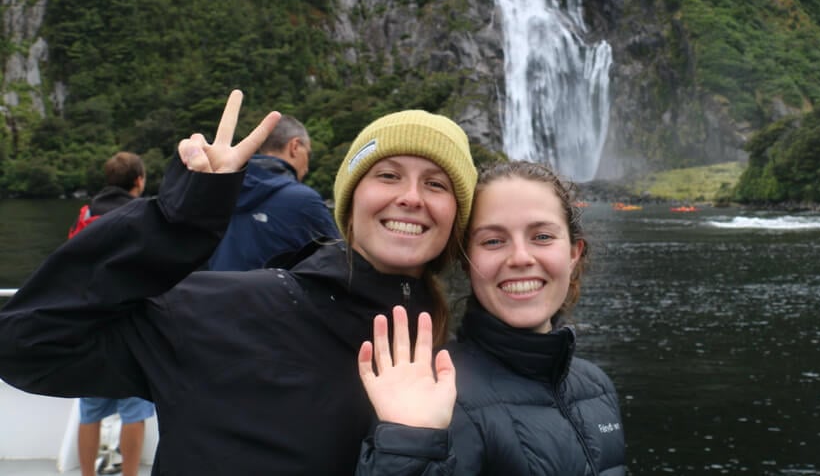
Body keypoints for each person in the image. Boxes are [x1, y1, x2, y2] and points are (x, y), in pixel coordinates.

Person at [0, 90, 477, 475]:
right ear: (350, 203)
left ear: (459, 218)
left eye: (436, 184)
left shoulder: (463, 353)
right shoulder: (225, 311)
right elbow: (26, 345)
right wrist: (176, 221)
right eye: (388, 175)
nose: (411, 198)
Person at [356, 160, 627, 475]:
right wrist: (409, 444)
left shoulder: (597, 386)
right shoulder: (434, 396)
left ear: (573, 253)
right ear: (466, 262)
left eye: (542, 237)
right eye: (493, 241)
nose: (521, 258)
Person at [72, 151, 155, 476]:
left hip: (89, 322)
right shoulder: (142, 213)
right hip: (131, 322)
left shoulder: (87, 212)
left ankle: (88, 474)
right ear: (138, 180)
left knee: (90, 409)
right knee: (134, 408)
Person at [206, 114, 340, 271]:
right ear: (295, 146)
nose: (307, 167)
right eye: (308, 154)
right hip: (272, 295)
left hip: (213, 293)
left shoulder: (217, 191)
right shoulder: (302, 201)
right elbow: (339, 264)